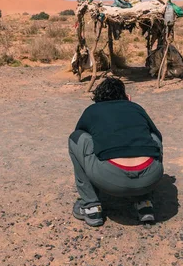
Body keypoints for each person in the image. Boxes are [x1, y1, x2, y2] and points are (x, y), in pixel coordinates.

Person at [68, 77, 163, 227]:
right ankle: (144, 202)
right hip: (150, 177)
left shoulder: (93, 110)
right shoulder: (136, 108)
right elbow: (158, 137)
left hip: (110, 180)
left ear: (98, 98)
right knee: (153, 138)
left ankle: (91, 206)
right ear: (126, 97)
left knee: (76, 138)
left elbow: (81, 133)